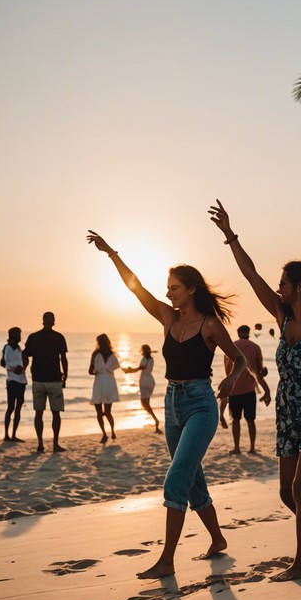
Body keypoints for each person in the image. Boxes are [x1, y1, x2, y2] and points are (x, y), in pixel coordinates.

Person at [209, 201, 301, 581]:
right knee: (287, 494)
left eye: (284, 284)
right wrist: (230, 235)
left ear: (299, 286)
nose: (278, 288)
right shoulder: (283, 315)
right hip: (288, 412)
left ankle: (300, 565)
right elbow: (251, 275)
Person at [87, 229, 246, 579]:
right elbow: (136, 288)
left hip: (201, 405)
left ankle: (166, 560)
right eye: (168, 288)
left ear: (191, 289)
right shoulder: (168, 318)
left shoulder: (210, 326)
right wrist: (111, 252)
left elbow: (239, 360)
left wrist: (231, 380)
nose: (168, 293)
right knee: (191, 480)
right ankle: (218, 539)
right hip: (172, 404)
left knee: (175, 478)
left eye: (174, 287)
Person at [23, 312, 69, 454]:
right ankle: (55, 444)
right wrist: (65, 377)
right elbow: (63, 359)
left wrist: (25, 369)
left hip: (38, 379)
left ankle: (40, 444)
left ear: (43, 321)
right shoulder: (59, 337)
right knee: (56, 413)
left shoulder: (33, 337)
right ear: (53, 321)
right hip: (54, 379)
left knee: (39, 413)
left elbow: (25, 354)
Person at [224, 325, 271, 454]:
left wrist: (227, 388)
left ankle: (237, 447)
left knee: (235, 419)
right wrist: (266, 389)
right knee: (250, 420)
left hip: (234, 389)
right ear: (248, 333)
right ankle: (252, 448)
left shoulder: (231, 346)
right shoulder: (255, 347)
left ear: (238, 333)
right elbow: (260, 370)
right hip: (250, 389)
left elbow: (227, 370)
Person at [123, 345, 162, 433]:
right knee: (146, 403)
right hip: (149, 380)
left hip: (145, 381)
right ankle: (155, 422)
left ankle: (155, 420)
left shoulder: (146, 359)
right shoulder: (150, 359)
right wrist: (129, 370)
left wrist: (129, 370)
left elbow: (140, 368)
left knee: (144, 404)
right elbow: (141, 368)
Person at [89, 333, 120, 444]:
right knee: (108, 412)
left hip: (99, 382)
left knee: (99, 412)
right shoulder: (112, 354)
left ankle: (104, 434)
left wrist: (97, 371)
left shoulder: (95, 354)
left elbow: (90, 371)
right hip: (109, 382)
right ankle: (112, 431)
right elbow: (116, 367)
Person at [1, 327, 26, 442]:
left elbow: (23, 361)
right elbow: (3, 362)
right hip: (12, 380)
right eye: (18, 334)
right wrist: (12, 369)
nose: (20, 336)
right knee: (11, 407)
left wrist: (23, 367)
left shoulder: (19, 349)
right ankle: (6, 435)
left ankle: (14, 434)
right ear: (12, 335)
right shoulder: (7, 347)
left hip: (21, 380)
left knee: (18, 407)